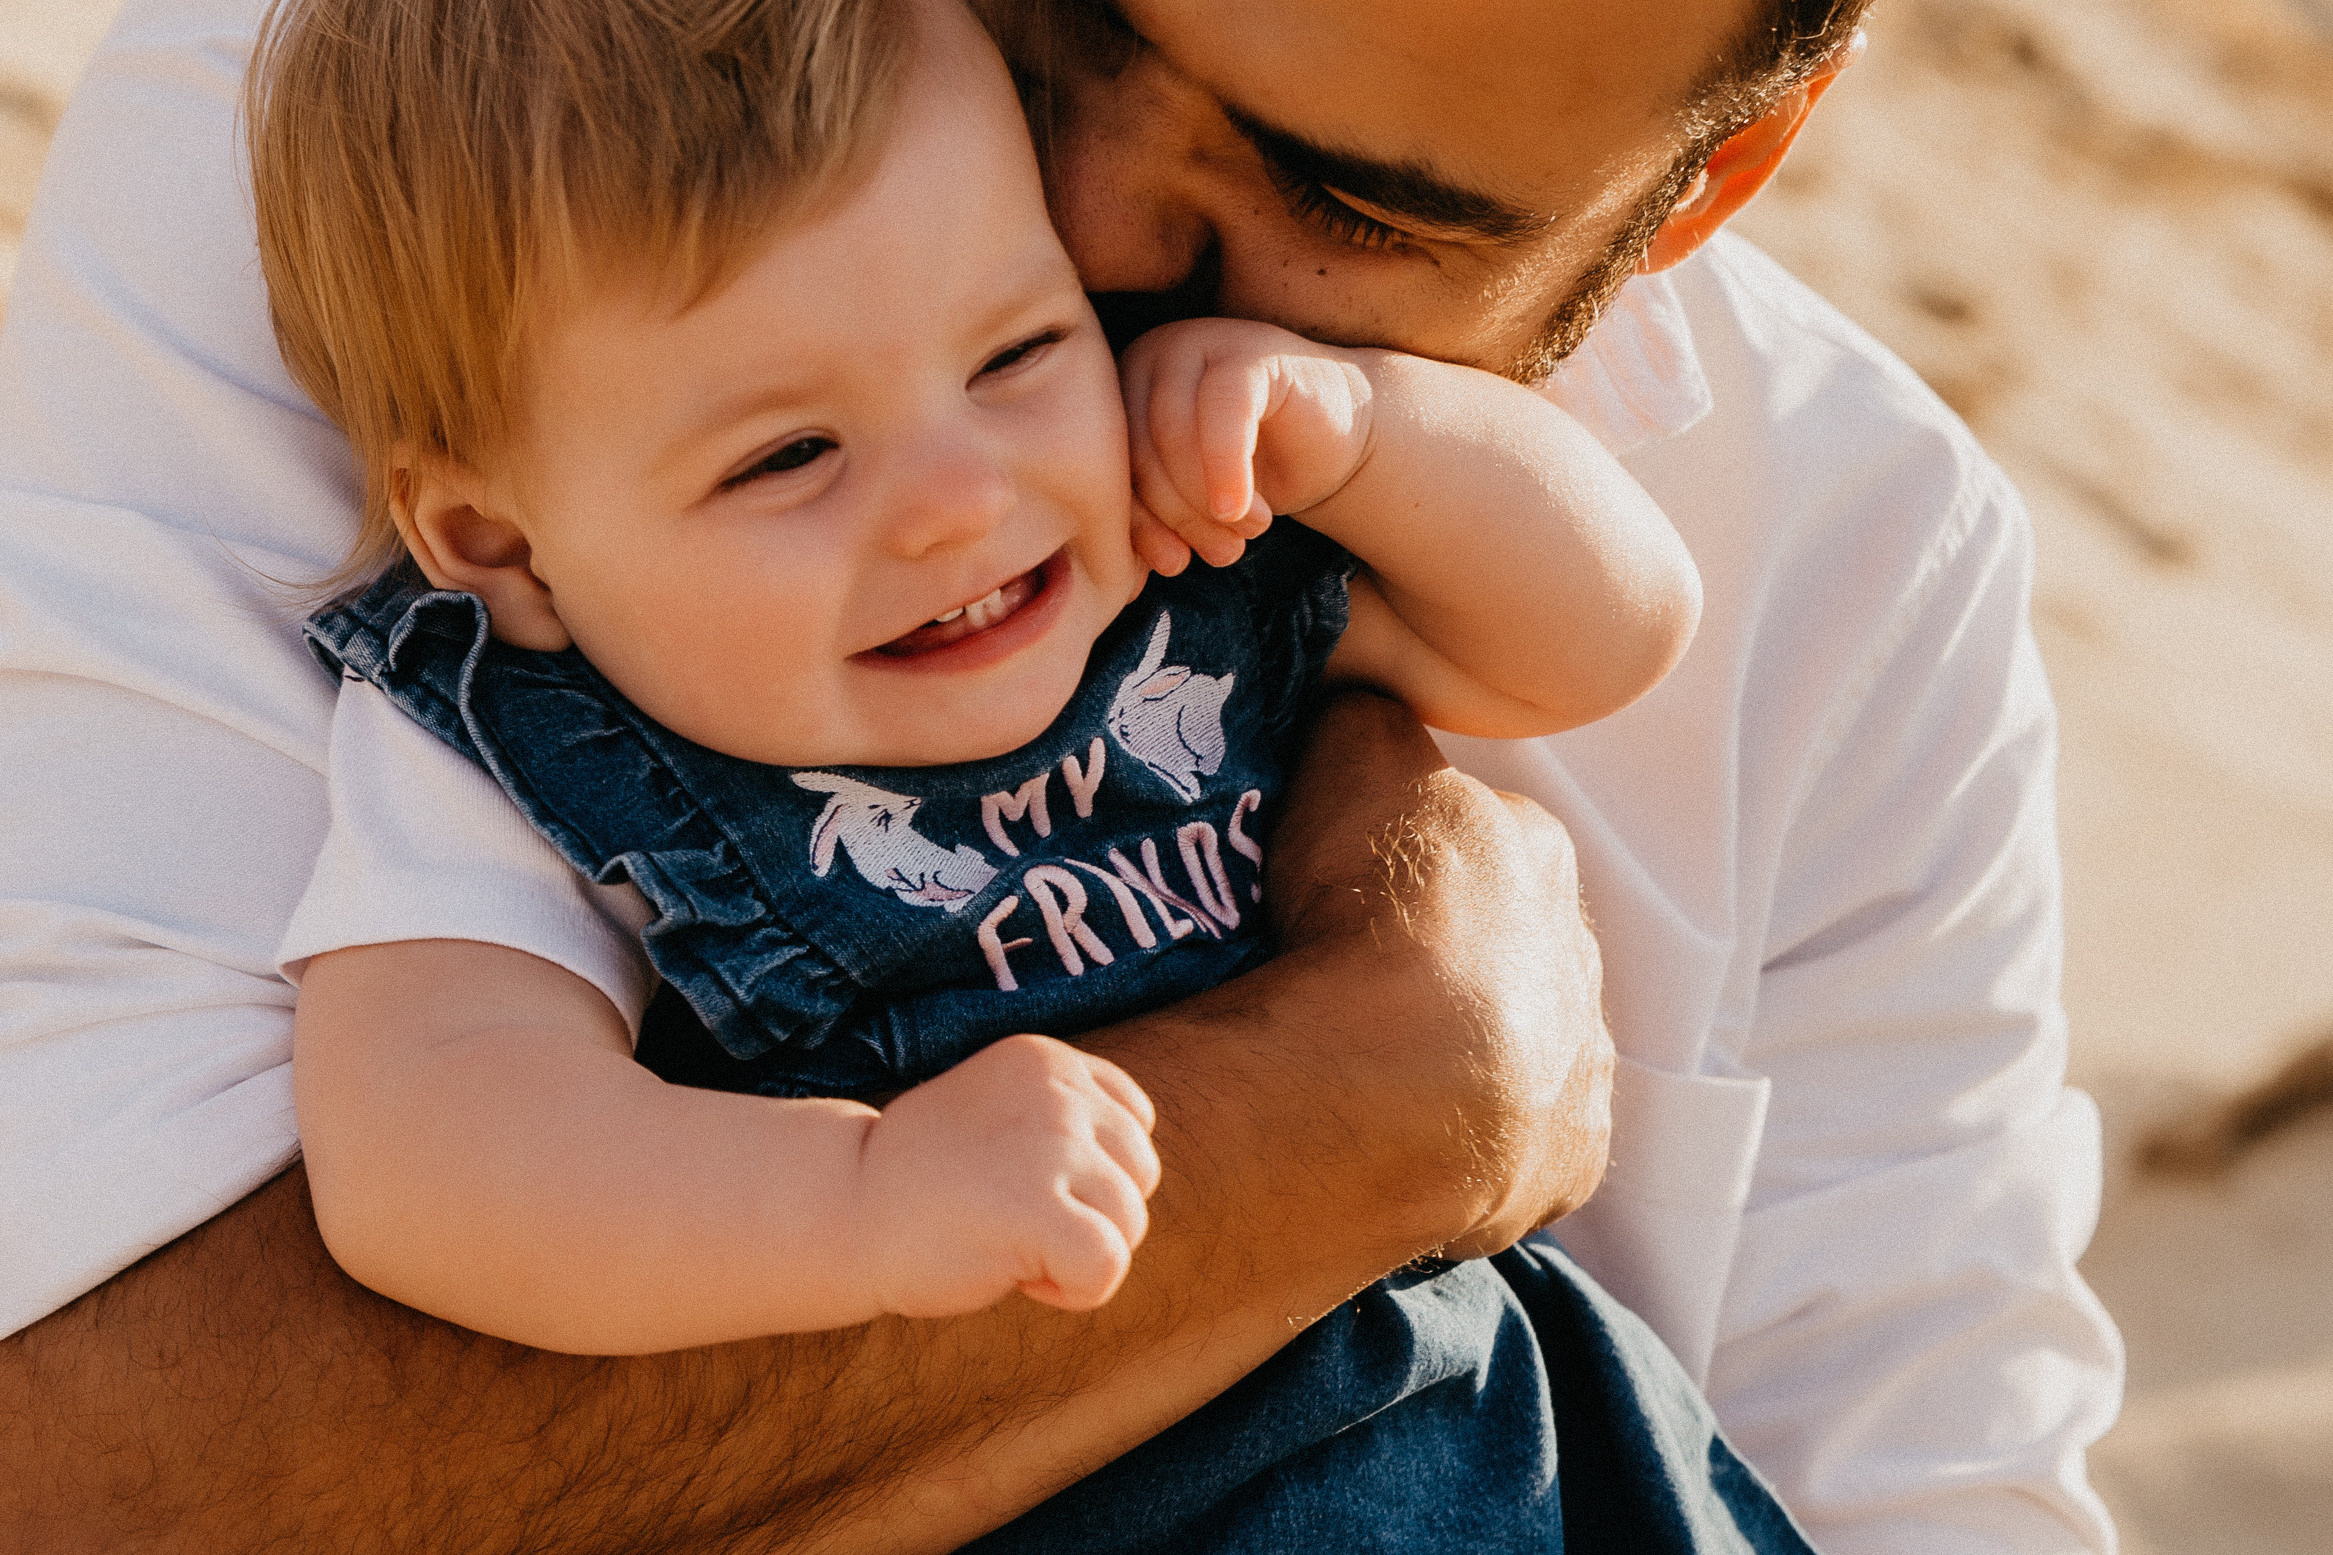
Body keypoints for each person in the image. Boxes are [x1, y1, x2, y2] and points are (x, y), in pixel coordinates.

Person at [0, 0, 2124, 1550]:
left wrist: (1367, 448)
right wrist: (1368, 1113)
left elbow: (1940, 1487)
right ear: (494, 539)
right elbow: (113, 1426)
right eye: (1084, 22)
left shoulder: (1843, 557)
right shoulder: (460, 150)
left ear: (1711, 185)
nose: (1085, 229)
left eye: (1341, 204)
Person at [253, 0, 1703, 1351]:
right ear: (499, 538)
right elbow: (427, 1159)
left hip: (1491, 1425)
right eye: (788, 455)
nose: (958, 496)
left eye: (1015, 350)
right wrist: (863, 1200)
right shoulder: (519, 745)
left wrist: (1368, 434)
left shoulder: (1169, 541)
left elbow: (1604, 636)